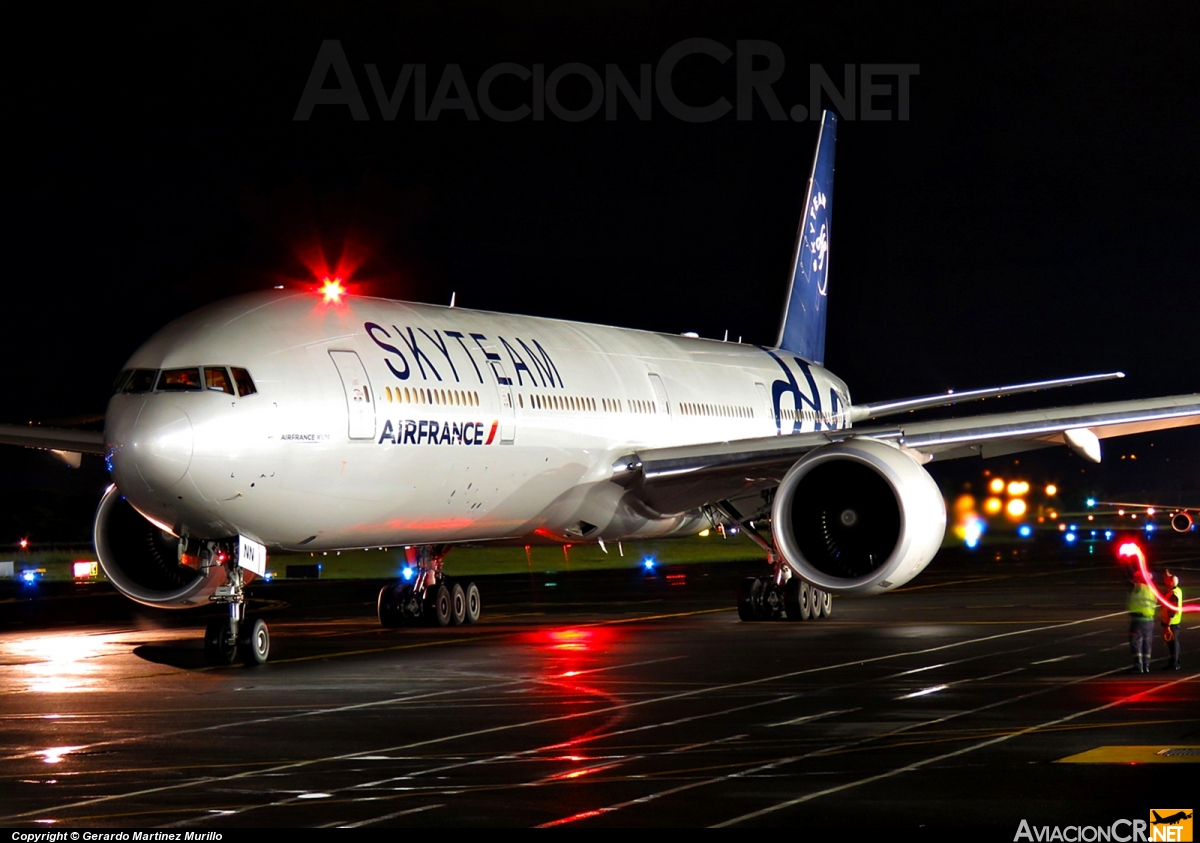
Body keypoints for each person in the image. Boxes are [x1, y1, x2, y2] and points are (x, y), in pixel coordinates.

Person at [1128, 569, 1157, 673]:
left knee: (1135, 642)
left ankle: (1138, 665)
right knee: (1147, 643)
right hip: (1150, 620)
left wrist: (1127, 562)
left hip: (1138, 620)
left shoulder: (1139, 587)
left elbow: (1130, 577)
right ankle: (1146, 665)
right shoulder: (1152, 589)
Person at [1161, 570, 1183, 670]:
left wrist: (1167, 626)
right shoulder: (1175, 590)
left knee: (1173, 645)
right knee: (1174, 644)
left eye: (1167, 579)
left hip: (1172, 623)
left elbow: (1172, 611)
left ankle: (1174, 664)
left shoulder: (1173, 594)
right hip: (1174, 622)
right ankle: (1174, 662)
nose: (1165, 581)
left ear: (1171, 582)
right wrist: (1168, 575)